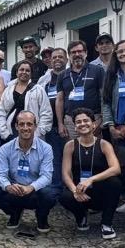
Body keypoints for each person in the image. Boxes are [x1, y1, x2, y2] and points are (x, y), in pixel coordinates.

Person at [58, 108, 123, 239]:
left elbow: (116, 168)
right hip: (80, 191)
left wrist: (91, 179)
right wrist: (74, 190)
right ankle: (81, 216)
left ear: (93, 124)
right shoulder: (70, 145)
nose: (82, 124)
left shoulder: (104, 144)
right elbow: (66, 173)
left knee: (115, 183)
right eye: (78, 122)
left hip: (99, 190)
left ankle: (106, 223)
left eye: (86, 120)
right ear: (75, 127)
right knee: (64, 195)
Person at [0, 111, 56, 232]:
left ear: (35, 126)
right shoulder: (5, 148)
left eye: (29, 124)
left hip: (35, 191)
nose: (25, 128)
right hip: (14, 190)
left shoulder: (46, 148)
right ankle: (14, 213)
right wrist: (8, 186)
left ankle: (41, 217)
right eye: (22, 124)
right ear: (16, 126)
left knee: (50, 194)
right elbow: (1, 174)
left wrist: (31, 187)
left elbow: (47, 176)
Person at [55, 41, 105, 141]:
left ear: (86, 53)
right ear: (69, 55)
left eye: (80, 51)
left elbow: (104, 96)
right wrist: (60, 124)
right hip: (70, 121)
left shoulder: (98, 70)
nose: (77, 54)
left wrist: (102, 120)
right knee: (73, 150)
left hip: (93, 119)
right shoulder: (62, 75)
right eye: (73, 52)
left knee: (95, 150)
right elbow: (59, 100)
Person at [0, 60, 52, 143]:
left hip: (33, 134)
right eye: (21, 70)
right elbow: (1, 112)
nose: (24, 72)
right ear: (17, 72)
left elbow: (46, 113)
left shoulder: (38, 90)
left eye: (27, 70)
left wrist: (37, 134)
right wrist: (5, 134)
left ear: (31, 74)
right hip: (11, 133)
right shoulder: (8, 90)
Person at [37, 48, 69, 190]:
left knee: (70, 157)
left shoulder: (70, 76)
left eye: (60, 57)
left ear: (66, 59)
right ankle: (56, 187)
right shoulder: (44, 80)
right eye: (54, 57)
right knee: (54, 158)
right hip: (50, 125)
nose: (57, 59)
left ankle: (71, 186)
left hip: (68, 124)